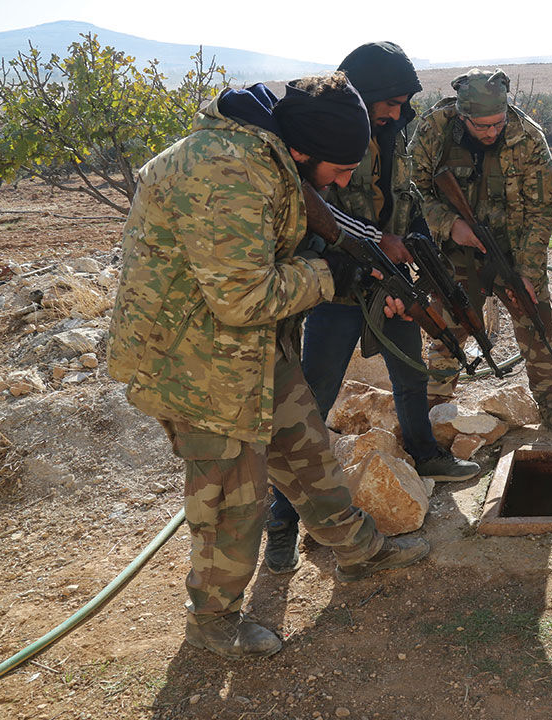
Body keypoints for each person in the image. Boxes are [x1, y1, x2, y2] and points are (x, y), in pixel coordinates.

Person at [108, 72, 429, 660]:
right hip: (194, 361)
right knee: (234, 497)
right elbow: (242, 296)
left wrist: (347, 269)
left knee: (304, 446)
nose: (345, 181)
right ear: (303, 150)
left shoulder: (269, 158)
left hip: (250, 348)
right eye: (338, 169)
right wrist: (335, 276)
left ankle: (357, 550)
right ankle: (213, 620)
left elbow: (273, 250)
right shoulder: (228, 173)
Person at [264, 42, 481, 575]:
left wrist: (403, 247)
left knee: (411, 369)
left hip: (389, 279)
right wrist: (360, 260)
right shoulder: (326, 137)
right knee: (312, 397)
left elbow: (400, 201)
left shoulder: (392, 137)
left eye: (404, 103)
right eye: (391, 101)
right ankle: (283, 519)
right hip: (336, 286)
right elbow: (312, 217)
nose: (397, 112)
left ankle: (425, 452)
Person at [409, 69, 552, 439]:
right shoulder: (435, 130)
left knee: (537, 321)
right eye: (481, 126)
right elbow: (413, 188)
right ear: (462, 115)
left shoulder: (529, 137)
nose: (491, 132)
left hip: (513, 250)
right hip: (457, 249)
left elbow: (543, 208)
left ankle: (550, 403)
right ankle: (434, 408)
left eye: (497, 124)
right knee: (451, 325)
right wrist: (450, 225)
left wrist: (529, 271)